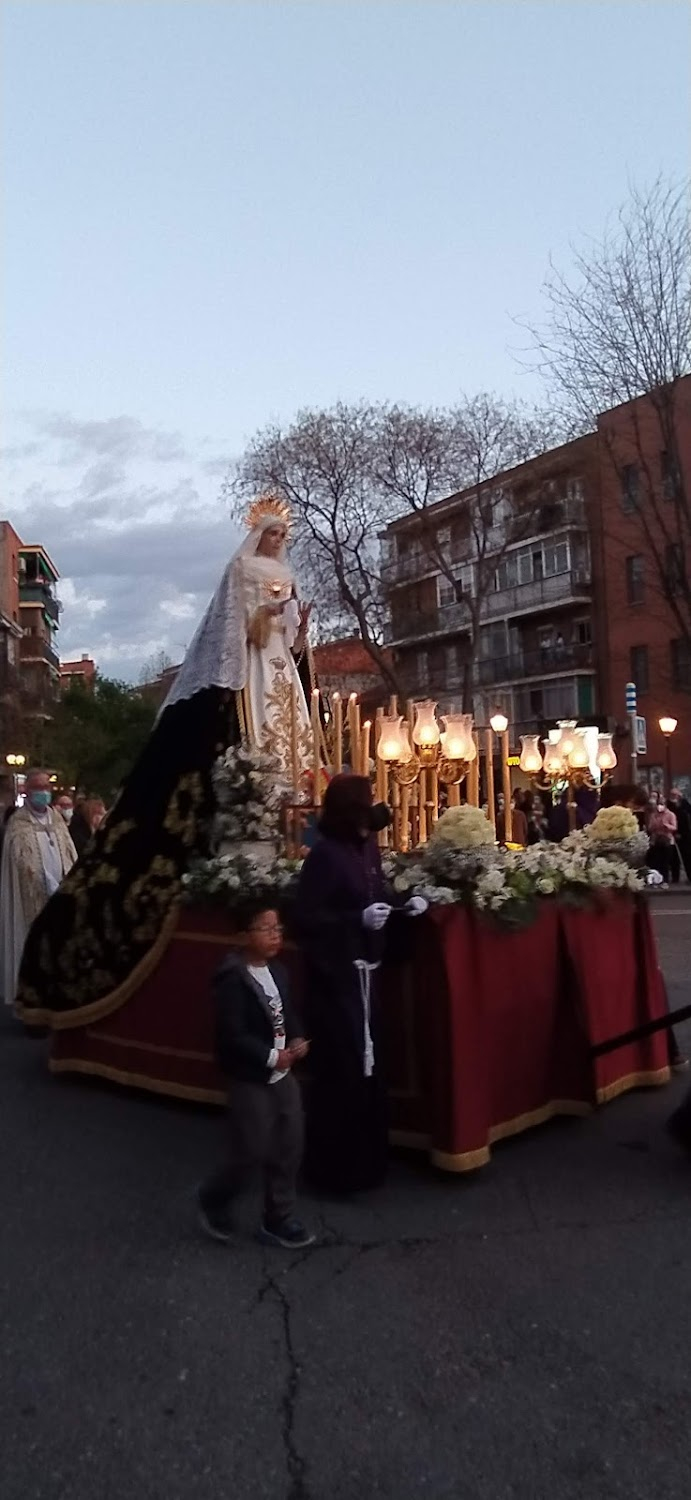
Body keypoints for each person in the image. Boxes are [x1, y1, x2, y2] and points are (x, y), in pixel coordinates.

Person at [15, 495, 317, 1028]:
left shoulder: (286, 572)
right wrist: (265, 616)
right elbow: (237, 627)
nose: (277, 542)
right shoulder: (243, 568)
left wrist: (299, 631)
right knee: (244, 738)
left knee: (294, 742)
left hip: (278, 668)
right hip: (250, 661)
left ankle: (289, 823)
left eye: (281, 536)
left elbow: (289, 638)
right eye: (271, 534)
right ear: (259, 535)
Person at [293, 774, 426, 1194]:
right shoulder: (325, 856)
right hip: (337, 983)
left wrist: (406, 906)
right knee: (343, 1070)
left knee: (369, 1071)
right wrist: (356, 921)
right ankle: (333, 1172)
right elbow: (305, 919)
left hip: (366, 976)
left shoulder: (366, 847)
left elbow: (375, 892)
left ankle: (368, 1164)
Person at [198, 900, 314, 1249]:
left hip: (283, 1075)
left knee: (290, 1143)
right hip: (251, 1076)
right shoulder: (232, 979)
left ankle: (278, 1216)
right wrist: (269, 1056)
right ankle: (215, 1197)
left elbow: (287, 1011)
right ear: (241, 936)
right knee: (253, 1147)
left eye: (277, 929)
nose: (275, 935)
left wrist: (296, 1037)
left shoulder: (278, 971)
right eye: (265, 929)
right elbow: (232, 1035)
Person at [0, 770, 77, 1008]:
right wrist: (45, 881)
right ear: (27, 791)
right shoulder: (18, 824)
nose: (43, 793)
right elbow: (20, 862)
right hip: (33, 899)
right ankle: (33, 1003)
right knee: (34, 947)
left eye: (46, 788)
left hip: (60, 896)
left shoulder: (58, 821)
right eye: (38, 788)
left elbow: (70, 854)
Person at [646, 796, 678, 885]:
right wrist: (654, 826)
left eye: (662, 804)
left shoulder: (671, 815)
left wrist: (667, 826)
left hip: (667, 839)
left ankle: (666, 879)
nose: (660, 806)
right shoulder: (654, 815)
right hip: (656, 839)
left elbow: (674, 827)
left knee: (665, 861)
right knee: (656, 861)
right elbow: (650, 827)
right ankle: (657, 879)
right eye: (658, 804)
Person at [668, 787, 691, 882]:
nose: (674, 796)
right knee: (674, 858)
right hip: (673, 833)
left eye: (676, 794)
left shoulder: (685, 804)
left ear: (679, 795)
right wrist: (675, 832)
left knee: (687, 856)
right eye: (672, 794)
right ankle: (675, 878)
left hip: (686, 834)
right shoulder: (668, 805)